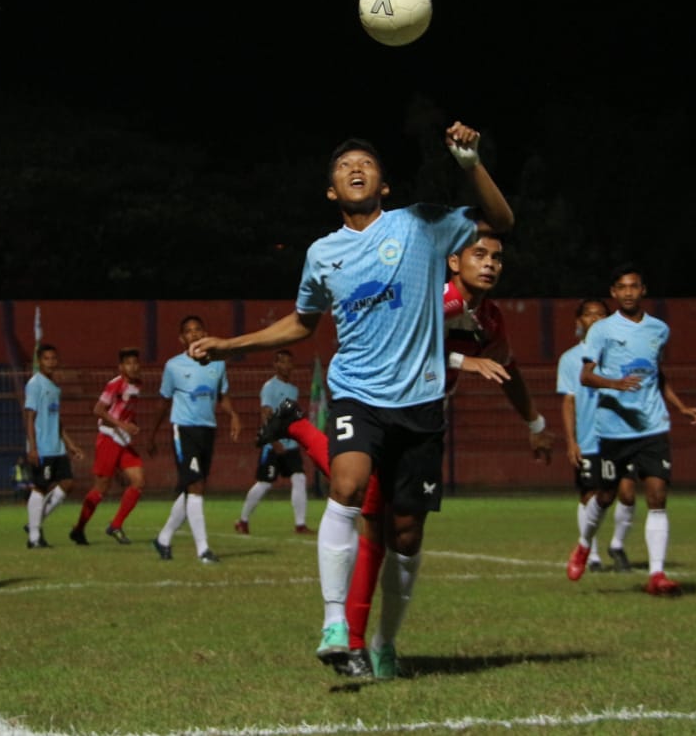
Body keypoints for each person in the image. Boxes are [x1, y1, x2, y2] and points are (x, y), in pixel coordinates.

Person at [190, 120, 515, 679]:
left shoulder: (421, 226)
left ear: (384, 185)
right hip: (357, 393)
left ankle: (386, 640)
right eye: (343, 167)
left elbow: (502, 221)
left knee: (406, 533)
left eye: (366, 164)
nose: (355, 169)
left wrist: (470, 163)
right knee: (347, 485)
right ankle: (335, 623)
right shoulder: (322, 254)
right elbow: (301, 323)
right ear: (331, 192)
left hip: (420, 403)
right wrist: (229, 345)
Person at [256, 227, 542, 677]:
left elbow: (507, 367)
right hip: (373, 407)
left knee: (404, 534)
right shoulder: (430, 299)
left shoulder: (489, 319)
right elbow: (397, 342)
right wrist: (463, 361)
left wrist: (536, 423)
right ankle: (348, 638)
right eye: (479, 254)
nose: (490, 263)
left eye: (497, 258)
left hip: (423, 424)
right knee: (362, 505)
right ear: (453, 262)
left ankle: (381, 642)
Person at [566, 263, 696, 596]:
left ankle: (656, 575)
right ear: (614, 293)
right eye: (622, 288)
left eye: (634, 287)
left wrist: (680, 406)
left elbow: (658, 374)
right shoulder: (601, 330)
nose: (628, 292)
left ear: (643, 290)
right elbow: (586, 377)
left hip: (652, 427)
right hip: (613, 430)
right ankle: (585, 544)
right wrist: (615, 384)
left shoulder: (659, 329)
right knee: (605, 496)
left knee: (657, 495)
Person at [149, 316, 241, 563]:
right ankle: (203, 549)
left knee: (193, 489)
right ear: (182, 338)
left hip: (207, 429)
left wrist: (232, 415)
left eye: (198, 329)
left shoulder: (218, 364)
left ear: (205, 332)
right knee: (196, 486)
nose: (194, 334)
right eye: (188, 331)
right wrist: (151, 434)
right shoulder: (173, 366)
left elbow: (223, 395)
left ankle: (163, 538)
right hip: (184, 429)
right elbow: (163, 402)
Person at [557, 297, 638, 573]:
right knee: (591, 494)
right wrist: (571, 441)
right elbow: (568, 401)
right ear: (579, 321)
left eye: (602, 314)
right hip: (590, 439)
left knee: (627, 492)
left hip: (621, 436)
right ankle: (589, 553)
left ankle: (617, 544)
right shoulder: (570, 359)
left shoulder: (620, 353)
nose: (596, 319)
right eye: (590, 315)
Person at [71, 347, 147, 546]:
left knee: (138, 481)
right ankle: (78, 529)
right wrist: (123, 425)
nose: (133, 366)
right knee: (101, 488)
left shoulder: (138, 384)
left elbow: (126, 412)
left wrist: (133, 426)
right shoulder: (115, 385)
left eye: (135, 362)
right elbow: (98, 410)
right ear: (121, 367)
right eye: (128, 363)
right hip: (109, 439)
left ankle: (116, 525)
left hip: (123, 440)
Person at [235, 349, 314, 536]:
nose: (286, 366)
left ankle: (300, 525)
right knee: (264, 483)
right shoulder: (269, 387)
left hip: (291, 445)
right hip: (273, 445)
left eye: (289, 362)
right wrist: (274, 440)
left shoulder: (293, 390)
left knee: (299, 478)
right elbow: (266, 414)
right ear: (276, 365)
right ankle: (243, 520)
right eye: (282, 362)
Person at [23, 343, 83, 549]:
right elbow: (30, 417)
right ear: (39, 362)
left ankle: (34, 523)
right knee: (40, 488)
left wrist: (70, 444)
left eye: (53, 359)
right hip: (42, 447)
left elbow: (57, 421)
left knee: (67, 483)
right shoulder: (35, 384)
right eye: (46, 359)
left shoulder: (54, 387)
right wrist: (32, 447)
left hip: (57, 447)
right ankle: (34, 537)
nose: (50, 362)